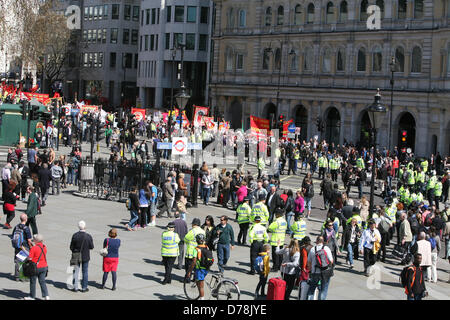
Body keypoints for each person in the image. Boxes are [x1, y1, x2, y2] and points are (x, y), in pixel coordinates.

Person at [69, 220, 94, 292]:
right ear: (85, 227)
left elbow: (71, 247)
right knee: (85, 272)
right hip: (85, 256)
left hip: (76, 256)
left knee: (76, 271)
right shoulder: (88, 236)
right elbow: (91, 247)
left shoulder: (75, 235)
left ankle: (75, 287)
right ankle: (84, 287)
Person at [306, 236, 334, 300]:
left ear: (317, 241)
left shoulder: (313, 249)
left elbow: (309, 262)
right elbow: (331, 261)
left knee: (311, 289)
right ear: (322, 241)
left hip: (315, 272)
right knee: (323, 290)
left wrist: (310, 271)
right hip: (325, 272)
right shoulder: (326, 248)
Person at [24, 234, 49, 300]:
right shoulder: (44, 247)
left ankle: (32, 296)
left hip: (35, 267)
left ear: (36, 241)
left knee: (33, 282)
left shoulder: (34, 248)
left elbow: (30, 258)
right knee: (42, 281)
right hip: (44, 266)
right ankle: (46, 295)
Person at [186, 234, 210, 300]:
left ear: (197, 240)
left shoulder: (196, 249)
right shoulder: (206, 247)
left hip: (200, 269)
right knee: (199, 282)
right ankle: (200, 295)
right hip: (206, 268)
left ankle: (202, 299)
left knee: (201, 286)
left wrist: (189, 271)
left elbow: (194, 261)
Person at [183, 218, 206, 282]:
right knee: (197, 267)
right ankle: (195, 278)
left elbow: (186, 239)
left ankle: (188, 278)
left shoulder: (192, 231)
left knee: (188, 267)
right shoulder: (203, 231)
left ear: (194, 224)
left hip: (190, 253)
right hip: (199, 252)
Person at [12, 214, 33, 281]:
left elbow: (13, 236)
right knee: (24, 261)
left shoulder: (16, 226)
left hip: (17, 246)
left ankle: (17, 276)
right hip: (24, 246)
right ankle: (23, 277)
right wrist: (31, 247)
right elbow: (29, 240)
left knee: (17, 261)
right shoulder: (26, 228)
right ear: (26, 219)